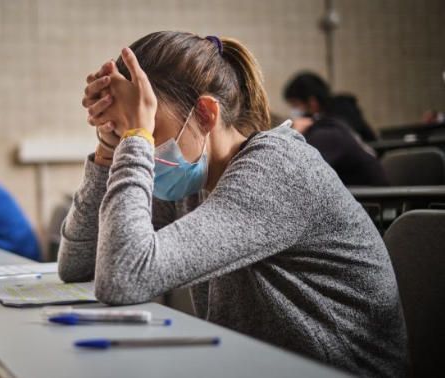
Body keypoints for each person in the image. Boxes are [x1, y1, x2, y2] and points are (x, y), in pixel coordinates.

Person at [58, 32, 407, 377]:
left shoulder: (275, 170)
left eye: (151, 128)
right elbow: (79, 266)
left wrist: (136, 138)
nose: (141, 147)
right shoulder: (194, 179)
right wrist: (107, 152)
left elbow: (123, 278)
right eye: (128, 133)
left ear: (207, 114)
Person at [283, 73, 388, 186]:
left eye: (295, 104)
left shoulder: (328, 131)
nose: (293, 111)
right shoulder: (328, 123)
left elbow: (300, 171)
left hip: (372, 198)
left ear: (312, 102)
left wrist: (293, 134)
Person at [284, 72, 377, 142]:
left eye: (295, 104)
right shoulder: (309, 117)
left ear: (312, 101)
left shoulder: (343, 107)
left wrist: (311, 124)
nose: (294, 109)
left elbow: (344, 133)